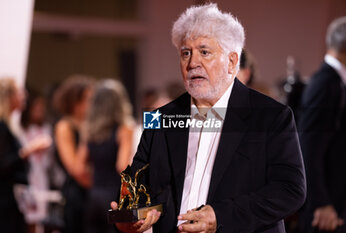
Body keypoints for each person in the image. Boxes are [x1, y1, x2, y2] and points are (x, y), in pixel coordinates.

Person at [111, 4, 306, 233]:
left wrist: (220, 216)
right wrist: (131, 215)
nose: (193, 63)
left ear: (232, 62)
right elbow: (136, 183)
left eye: (204, 52)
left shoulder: (271, 117)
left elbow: (290, 190)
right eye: (186, 53)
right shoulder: (160, 119)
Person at [298, 16, 346, 233]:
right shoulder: (326, 84)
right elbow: (308, 147)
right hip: (323, 210)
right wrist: (320, 202)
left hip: (334, 200)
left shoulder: (337, 81)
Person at [0, 78, 51, 233]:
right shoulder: (2, 126)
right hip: (5, 201)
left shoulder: (9, 125)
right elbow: (3, 164)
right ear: (9, 96)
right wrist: (30, 149)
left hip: (13, 199)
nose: (25, 95)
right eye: (20, 91)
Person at [84, 79, 134, 233]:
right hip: (113, 196)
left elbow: (80, 165)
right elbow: (122, 166)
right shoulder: (124, 129)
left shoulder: (89, 129)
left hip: (93, 195)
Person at [53, 75, 93, 233]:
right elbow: (75, 168)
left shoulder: (92, 124)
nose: (92, 104)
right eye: (88, 99)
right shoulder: (64, 126)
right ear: (74, 102)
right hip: (77, 194)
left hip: (94, 192)